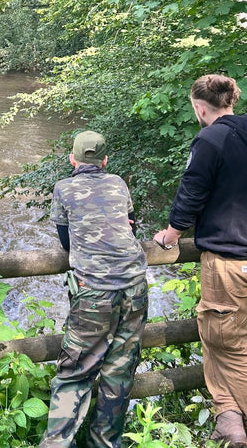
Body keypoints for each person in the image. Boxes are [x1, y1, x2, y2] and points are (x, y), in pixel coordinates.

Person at [153, 74, 247, 448]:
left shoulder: (210, 139)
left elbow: (192, 191)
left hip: (229, 260)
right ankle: (230, 424)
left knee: (224, 342)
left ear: (199, 107)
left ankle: (233, 423)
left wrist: (170, 235)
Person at [39, 130, 148, 448]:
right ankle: (105, 443)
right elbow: (130, 226)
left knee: (75, 371)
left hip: (95, 292)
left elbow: (65, 241)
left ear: (72, 159)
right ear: (105, 160)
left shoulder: (63, 187)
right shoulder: (118, 183)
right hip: (135, 287)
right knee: (119, 372)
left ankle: (57, 443)